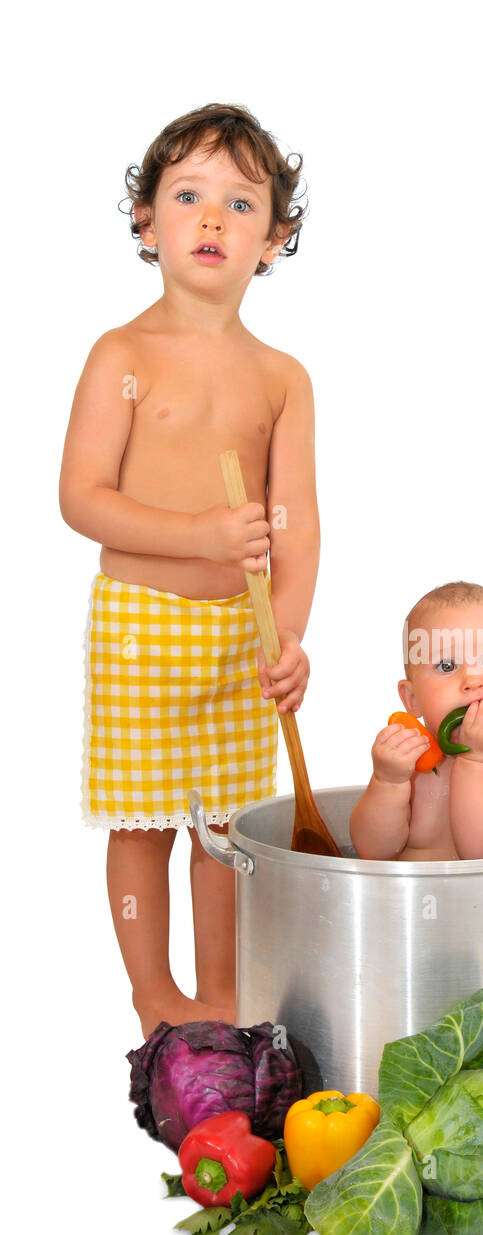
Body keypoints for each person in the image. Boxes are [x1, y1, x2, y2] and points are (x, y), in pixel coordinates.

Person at [59, 103, 320, 1039]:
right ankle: (154, 995)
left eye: (240, 203)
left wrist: (285, 633)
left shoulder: (282, 377)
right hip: (141, 627)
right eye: (188, 196)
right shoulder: (121, 356)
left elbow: (296, 525)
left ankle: (219, 991)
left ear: (274, 238)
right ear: (146, 221)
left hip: (239, 647)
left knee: (228, 837)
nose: (212, 220)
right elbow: (83, 499)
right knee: (143, 823)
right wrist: (200, 533)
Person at [350, 582, 483, 861]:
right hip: (407, 905)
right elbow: (373, 853)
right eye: (447, 666)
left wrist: (478, 761)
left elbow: (481, 853)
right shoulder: (413, 765)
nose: (473, 680)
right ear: (412, 699)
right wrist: (387, 782)